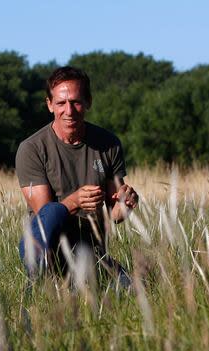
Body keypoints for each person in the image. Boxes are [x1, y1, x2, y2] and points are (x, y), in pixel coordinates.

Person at [15, 66, 139, 285]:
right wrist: (75, 201)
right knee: (53, 214)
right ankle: (38, 283)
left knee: (129, 288)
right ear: (50, 105)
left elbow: (115, 215)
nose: (69, 111)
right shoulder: (31, 149)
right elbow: (46, 216)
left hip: (90, 250)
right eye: (61, 103)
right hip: (47, 248)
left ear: (88, 102)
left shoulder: (108, 144)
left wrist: (125, 204)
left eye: (76, 102)